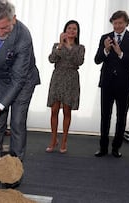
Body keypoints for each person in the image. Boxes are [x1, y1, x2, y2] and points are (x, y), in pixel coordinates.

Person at [0, 0, 40, 163]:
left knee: (17, 122)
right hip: (0, 78)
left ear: (14, 19)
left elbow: (18, 80)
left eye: (4, 27)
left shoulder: (24, 37)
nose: (0, 32)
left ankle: (14, 166)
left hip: (23, 81)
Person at [94, 10, 129, 158]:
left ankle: (116, 148)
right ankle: (103, 147)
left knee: (121, 117)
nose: (117, 25)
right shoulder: (105, 38)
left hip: (124, 84)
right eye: (115, 23)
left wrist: (121, 53)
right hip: (107, 83)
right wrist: (106, 50)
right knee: (105, 116)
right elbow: (97, 60)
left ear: (126, 23)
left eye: (120, 22)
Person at [45, 20, 85, 153]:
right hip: (58, 77)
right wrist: (61, 45)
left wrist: (69, 46)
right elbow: (51, 59)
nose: (71, 31)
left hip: (71, 78)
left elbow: (78, 61)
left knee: (67, 111)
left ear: (77, 32)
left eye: (74, 29)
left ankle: (64, 141)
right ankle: (53, 139)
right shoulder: (57, 45)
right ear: (65, 30)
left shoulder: (80, 47)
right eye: (69, 28)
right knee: (54, 110)